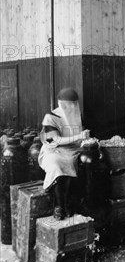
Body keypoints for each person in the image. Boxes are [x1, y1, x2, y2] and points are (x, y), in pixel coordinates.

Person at [38, 88, 90, 220]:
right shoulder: (51, 117)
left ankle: (74, 203)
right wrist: (79, 136)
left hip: (73, 149)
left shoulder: (78, 116)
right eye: (67, 105)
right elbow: (54, 140)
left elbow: (81, 137)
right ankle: (60, 205)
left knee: (86, 162)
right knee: (57, 165)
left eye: (73, 104)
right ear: (61, 104)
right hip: (53, 150)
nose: (71, 108)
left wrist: (86, 139)